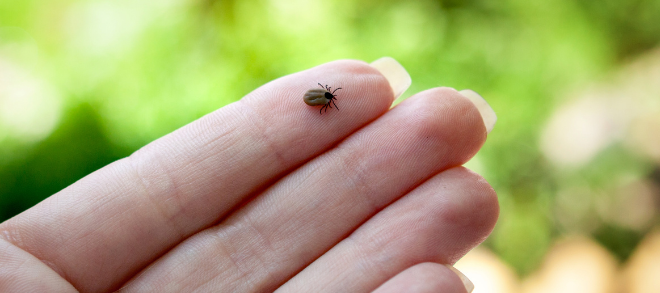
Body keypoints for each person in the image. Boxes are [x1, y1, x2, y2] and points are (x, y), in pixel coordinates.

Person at [0, 58, 497, 292]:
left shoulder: (321, 99)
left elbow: (315, 98)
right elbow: (315, 99)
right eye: (329, 97)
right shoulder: (322, 100)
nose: (328, 98)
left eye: (328, 97)